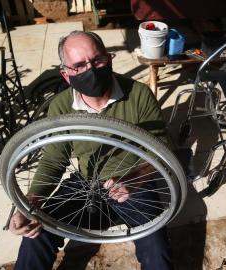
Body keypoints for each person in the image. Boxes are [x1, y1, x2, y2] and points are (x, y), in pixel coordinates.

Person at [9, 31, 173, 270]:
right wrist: (29, 204)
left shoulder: (138, 94)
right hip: (86, 182)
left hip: (133, 182)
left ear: (109, 59)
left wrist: (136, 178)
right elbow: (54, 161)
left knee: (156, 247)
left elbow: (163, 149)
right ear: (66, 75)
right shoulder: (62, 106)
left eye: (97, 61)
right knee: (36, 233)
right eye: (79, 65)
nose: (91, 70)